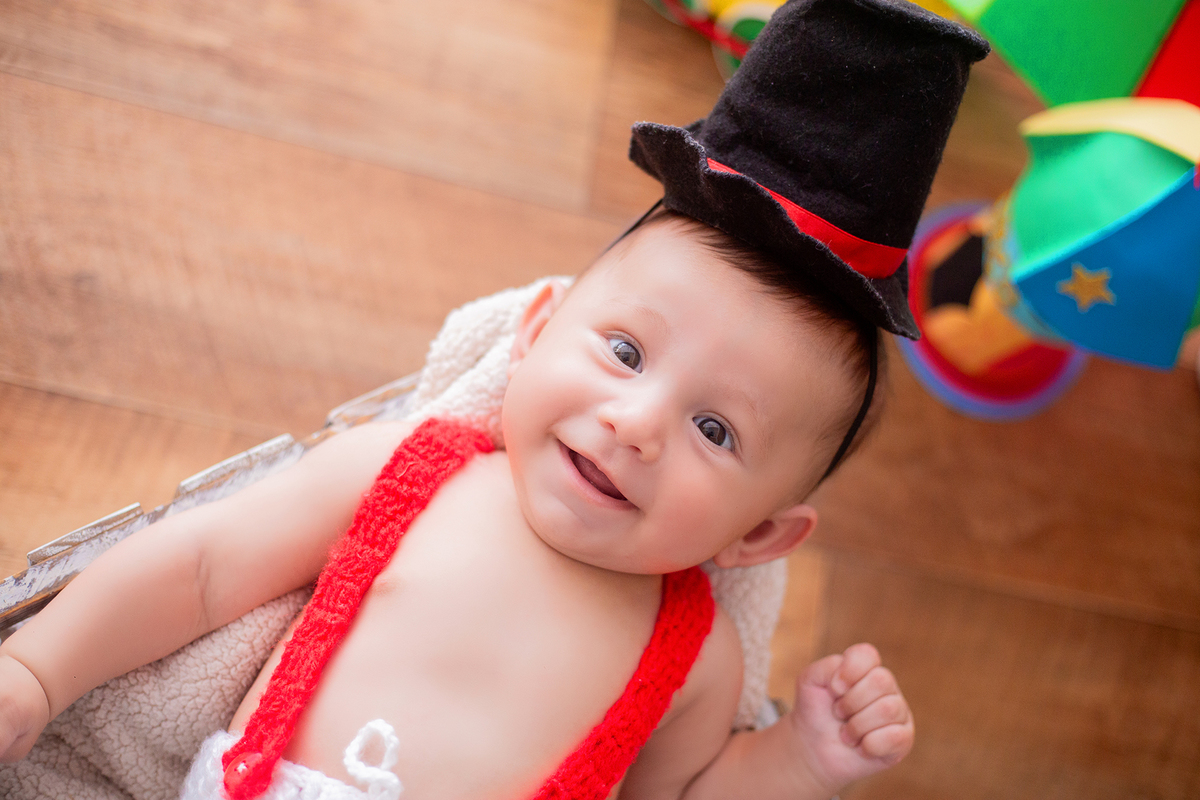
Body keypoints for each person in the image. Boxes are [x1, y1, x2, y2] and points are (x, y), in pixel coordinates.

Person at [0, 1, 988, 798]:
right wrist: (41, 669)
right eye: (626, 350)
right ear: (533, 331)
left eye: (717, 428)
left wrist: (804, 761)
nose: (636, 424)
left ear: (760, 535)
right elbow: (203, 563)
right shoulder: (416, 471)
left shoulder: (694, 657)